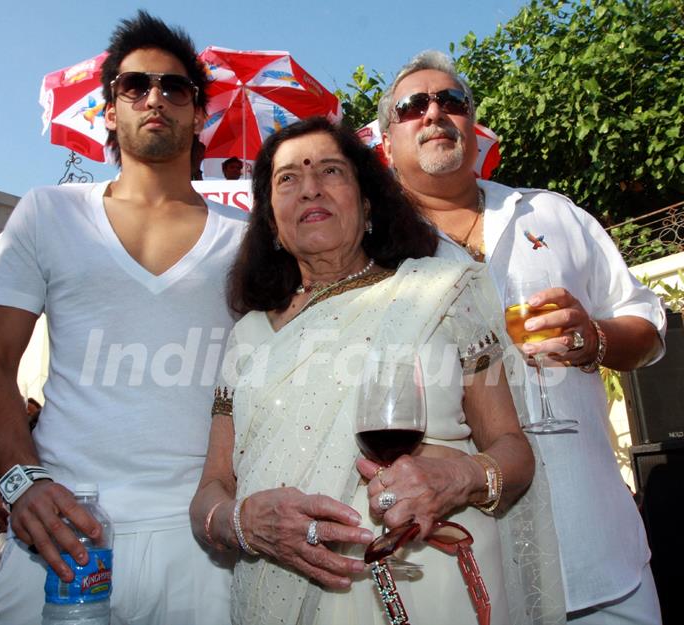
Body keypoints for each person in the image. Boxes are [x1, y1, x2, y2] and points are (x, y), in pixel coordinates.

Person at [189, 117, 555, 625]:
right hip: (282, 594)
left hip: (432, 585)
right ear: (272, 223)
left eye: (332, 171)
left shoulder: (441, 294)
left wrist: (461, 475)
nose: (311, 186)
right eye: (287, 178)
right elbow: (210, 490)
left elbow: (514, 451)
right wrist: (241, 521)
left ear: (366, 207)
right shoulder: (248, 336)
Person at [0, 11, 247, 625]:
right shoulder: (46, 213)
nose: (155, 99)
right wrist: (20, 482)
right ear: (109, 108)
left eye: (174, 88)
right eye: (134, 86)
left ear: (200, 112)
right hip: (61, 529)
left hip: (202, 538)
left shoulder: (248, 238)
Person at [378, 50, 666, 624]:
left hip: (603, 556)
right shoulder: (377, 254)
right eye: (413, 106)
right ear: (388, 143)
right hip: (464, 570)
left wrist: (595, 340)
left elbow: (648, 330)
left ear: (472, 124)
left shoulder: (553, 215)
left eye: (451, 100)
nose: (434, 112)